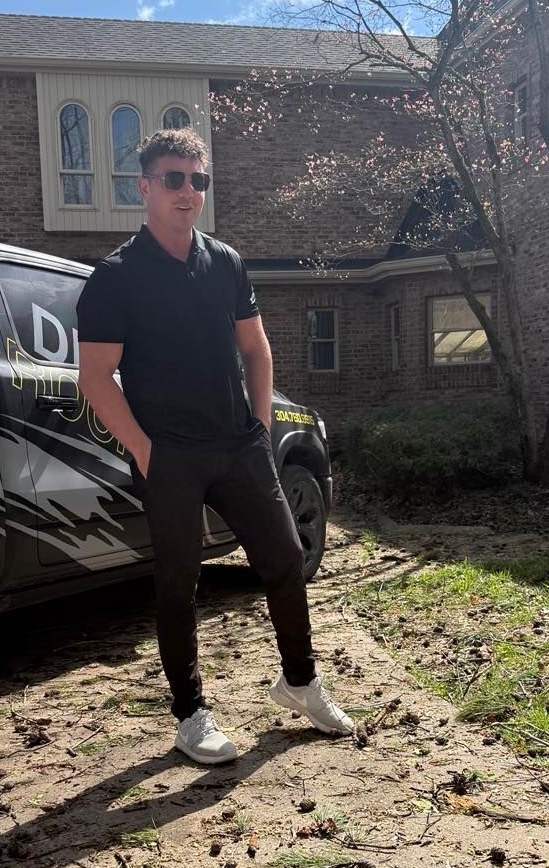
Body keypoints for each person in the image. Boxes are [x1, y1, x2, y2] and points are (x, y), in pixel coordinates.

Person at [76, 128, 353, 765]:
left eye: (198, 180)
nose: (188, 192)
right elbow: (96, 377)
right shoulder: (116, 277)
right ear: (143, 187)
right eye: (174, 179)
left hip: (237, 445)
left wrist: (259, 427)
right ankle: (190, 713)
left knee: (284, 558)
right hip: (170, 453)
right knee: (180, 582)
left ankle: (300, 682)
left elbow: (256, 349)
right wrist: (145, 451)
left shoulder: (225, 262)